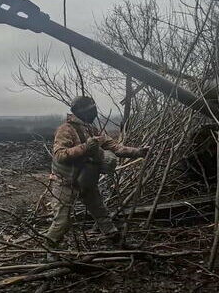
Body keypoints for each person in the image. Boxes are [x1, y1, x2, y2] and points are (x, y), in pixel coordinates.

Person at [44, 96, 148, 248]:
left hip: (86, 182)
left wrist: (138, 152)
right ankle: (50, 251)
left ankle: (117, 242)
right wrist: (85, 147)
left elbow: (116, 148)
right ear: (81, 112)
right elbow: (60, 155)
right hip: (65, 184)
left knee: (101, 214)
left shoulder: (91, 130)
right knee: (62, 222)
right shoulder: (65, 130)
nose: (94, 113)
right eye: (91, 110)